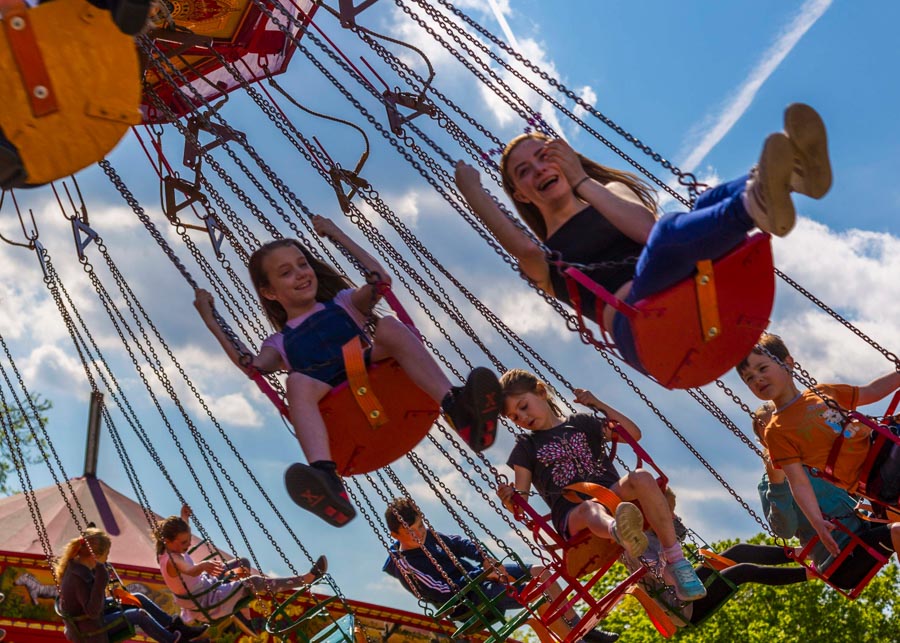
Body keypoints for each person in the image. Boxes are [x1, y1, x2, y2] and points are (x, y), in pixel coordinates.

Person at [455, 104, 831, 374]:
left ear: (563, 157)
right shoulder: (547, 258)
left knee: (702, 205)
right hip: (646, 331)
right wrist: (472, 191)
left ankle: (792, 175)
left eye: (544, 156)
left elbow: (643, 229)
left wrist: (583, 180)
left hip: (692, 290)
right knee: (671, 229)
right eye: (524, 172)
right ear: (520, 194)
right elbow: (519, 246)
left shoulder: (610, 190)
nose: (539, 170)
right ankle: (757, 200)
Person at [194, 214, 501, 524]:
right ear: (270, 292)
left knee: (391, 327)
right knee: (297, 382)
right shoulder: (278, 342)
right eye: (286, 273)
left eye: (303, 264)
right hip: (335, 403)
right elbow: (252, 367)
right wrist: (212, 321)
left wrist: (337, 234)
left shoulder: (344, 302)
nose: (301, 275)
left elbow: (379, 279)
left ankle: (457, 408)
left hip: (369, 372)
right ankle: (326, 479)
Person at [496, 368, 707, 601]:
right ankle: (620, 531)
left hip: (612, 495)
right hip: (574, 514)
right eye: (514, 417)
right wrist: (510, 498)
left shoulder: (581, 422)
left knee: (642, 477)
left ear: (541, 392)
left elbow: (633, 434)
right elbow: (521, 500)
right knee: (591, 509)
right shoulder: (526, 447)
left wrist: (597, 403)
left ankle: (676, 561)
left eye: (523, 407)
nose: (522, 418)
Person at [738, 333, 900, 555]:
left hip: (884, 447)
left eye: (762, 369)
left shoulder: (822, 393)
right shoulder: (776, 432)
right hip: (872, 476)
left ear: (788, 363)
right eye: (748, 378)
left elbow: (871, 392)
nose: (757, 379)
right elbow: (798, 482)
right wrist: (817, 522)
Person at [381, 497, 620, 643]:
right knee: (534, 594)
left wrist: (486, 561)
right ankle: (576, 640)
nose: (420, 533)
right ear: (395, 535)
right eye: (412, 532)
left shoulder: (429, 535)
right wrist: (484, 574)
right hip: (465, 602)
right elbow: (442, 591)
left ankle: (583, 630)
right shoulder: (406, 564)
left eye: (421, 526)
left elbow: (462, 543)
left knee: (540, 572)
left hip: (481, 579)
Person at [753, 403, 900, 591]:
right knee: (897, 532)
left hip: (863, 532)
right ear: (765, 443)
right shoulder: (771, 483)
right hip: (840, 559)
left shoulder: (817, 459)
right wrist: (777, 484)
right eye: (770, 435)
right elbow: (784, 530)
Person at [154, 505, 327, 628]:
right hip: (206, 600)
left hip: (205, 586)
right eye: (184, 542)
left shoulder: (168, 548)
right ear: (167, 541)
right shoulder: (172, 560)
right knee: (255, 582)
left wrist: (184, 517)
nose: (188, 544)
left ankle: (243, 612)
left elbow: (180, 538)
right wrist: (203, 565)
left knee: (242, 563)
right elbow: (189, 570)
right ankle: (305, 579)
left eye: (189, 539)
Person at [57, 527, 209, 642]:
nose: (107, 559)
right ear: (94, 557)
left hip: (90, 619)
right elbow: (92, 611)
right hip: (91, 629)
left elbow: (92, 603)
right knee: (139, 615)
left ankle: (176, 626)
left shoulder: (77, 566)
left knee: (137, 597)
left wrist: (112, 595)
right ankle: (174, 640)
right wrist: (101, 581)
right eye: (106, 555)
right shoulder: (78, 577)